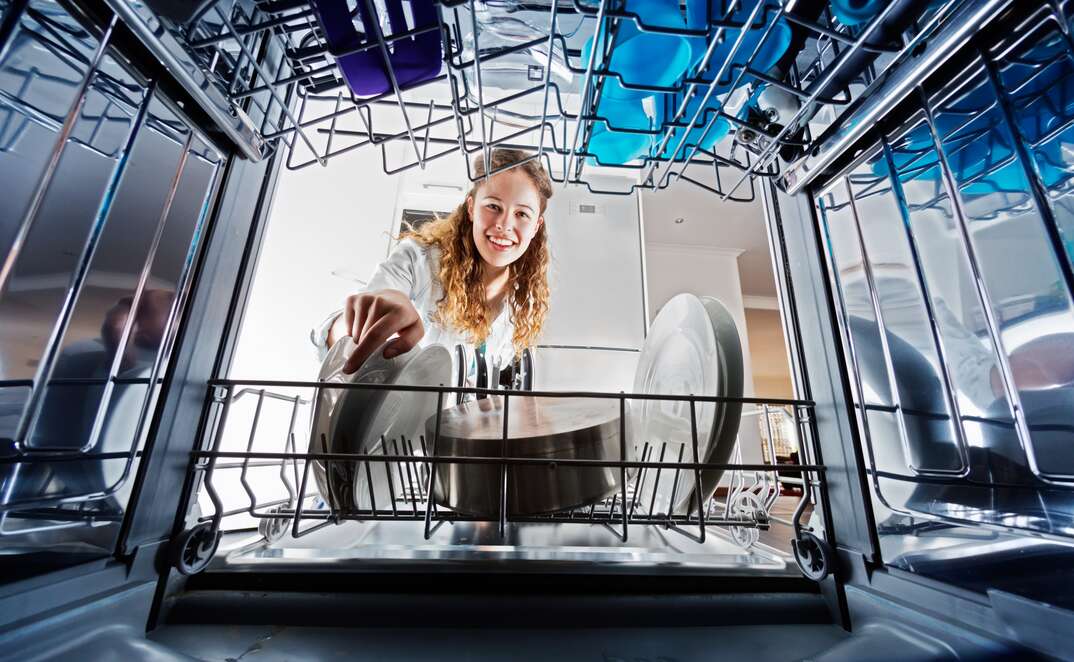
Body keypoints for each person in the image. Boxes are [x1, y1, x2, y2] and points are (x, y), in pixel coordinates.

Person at [312, 148, 554, 384]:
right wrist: (364, 317)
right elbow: (343, 336)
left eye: (522, 214)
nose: (504, 224)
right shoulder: (418, 260)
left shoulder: (522, 300)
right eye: (493, 206)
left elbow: (475, 377)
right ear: (471, 208)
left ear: (536, 226)